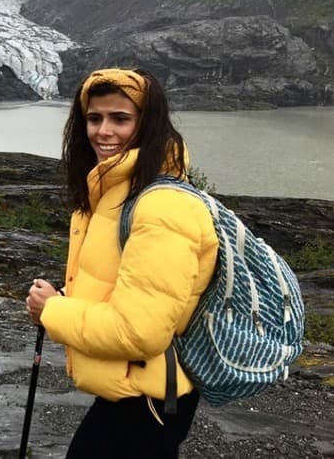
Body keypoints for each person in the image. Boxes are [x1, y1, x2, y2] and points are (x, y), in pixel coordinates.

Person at [26, 67, 218, 459]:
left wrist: (54, 311)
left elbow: (139, 332)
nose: (103, 131)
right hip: (132, 388)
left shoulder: (161, 205)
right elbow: (124, 288)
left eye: (120, 119)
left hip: (148, 399)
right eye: (94, 118)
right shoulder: (107, 193)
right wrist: (65, 297)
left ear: (147, 126)